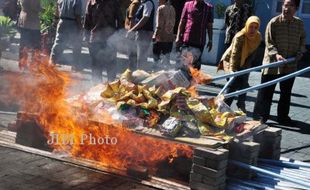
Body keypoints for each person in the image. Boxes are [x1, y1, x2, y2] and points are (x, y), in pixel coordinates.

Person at [253, 0, 306, 125]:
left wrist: (300, 52)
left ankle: (283, 117)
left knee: (286, 92)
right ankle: (261, 116)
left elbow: (303, 40)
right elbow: (269, 42)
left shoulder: (299, 24)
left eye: (291, 5)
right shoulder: (274, 22)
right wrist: (276, 55)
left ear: (296, 8)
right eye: (285, 5)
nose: (287, 8)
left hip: (290, 64)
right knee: (266, 91)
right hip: (272, 63)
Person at [218, 16, 262, 112]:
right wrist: (233, 71)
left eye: (255, 27)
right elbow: (234, 54)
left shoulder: (258, 37)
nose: (252, 30)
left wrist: (246, 67)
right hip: (230, 60)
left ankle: (240, 104)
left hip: (244, 62)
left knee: (244, 83)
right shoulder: (240, 36)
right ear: (247, 25)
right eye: (251, 26)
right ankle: (223, 107)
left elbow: (253, 54)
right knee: (233, 84)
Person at [84, 0, 122, 84]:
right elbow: (87, 21)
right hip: (94, 39)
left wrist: (118, 36)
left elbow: (120, 19)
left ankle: (111, 86)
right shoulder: (91, 2)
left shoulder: (114, 2)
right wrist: (86, 38)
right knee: (96, 65)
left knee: (111, 64)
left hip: (110, 39)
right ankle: (96, 86)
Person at [175, 0, 213, 70]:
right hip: (187, 40)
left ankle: (193, 80)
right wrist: (178, 36)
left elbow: (209, 25)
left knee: (195, 65)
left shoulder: (209, 8)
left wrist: (210, 40)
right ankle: (179, 79)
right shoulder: (187, 4)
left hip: (199, 41)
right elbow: (182, 21)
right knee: (182, 63)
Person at [49, 0, 83, 71]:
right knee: (76, 45)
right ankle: (75, 66)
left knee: (58, 43)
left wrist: (55, 22)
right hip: (72, 23)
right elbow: (77, 16)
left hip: (62, 22)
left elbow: (57, 11)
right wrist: (80, 28)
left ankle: (52, 61)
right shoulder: (77, 1)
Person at [127, 0, 156, 70]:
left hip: (145, 33)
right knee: (139, 57)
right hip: (141, 32)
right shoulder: (143, 3)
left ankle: (140, 76)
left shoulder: (148, 3)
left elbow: (145, 18)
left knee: (141, 58)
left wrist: (132, 29)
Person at [17, 0, 42, 69]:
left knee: (24, 44)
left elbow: (19, 4)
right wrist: (41, 9)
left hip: (23, 19)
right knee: (36, 45)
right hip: (31, 21)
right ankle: (33, 64)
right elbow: (35, 7)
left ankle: (22, 64)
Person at [152, 0, 175, 69]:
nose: (158, 0)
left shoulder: (161, 8)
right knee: (166, 60)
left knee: (157, 60)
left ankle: (156, 76)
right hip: (169, 38)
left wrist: (155, 35)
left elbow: (159, 25)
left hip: (160, 37)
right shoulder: (172, 8)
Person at [125, 0, 140, 71]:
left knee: (132, 57)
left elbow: (132, 20)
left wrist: (130, 33)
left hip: (132, 34)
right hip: (134, 33)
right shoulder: (136, 3)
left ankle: (131, 75)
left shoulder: (135, 3)